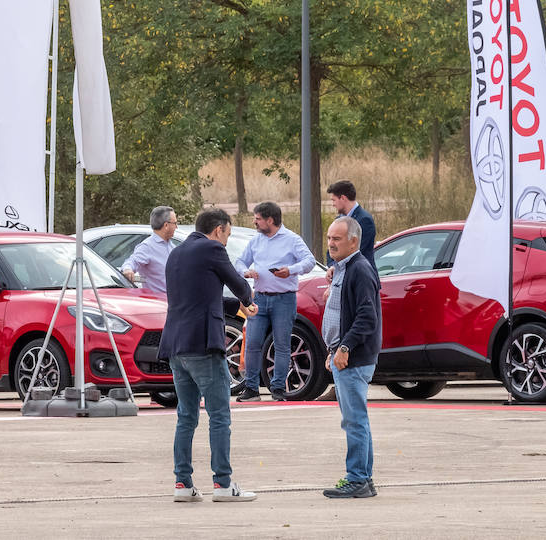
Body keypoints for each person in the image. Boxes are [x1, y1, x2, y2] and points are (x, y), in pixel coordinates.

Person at [158, 207, 260, 502]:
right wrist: (247, 298)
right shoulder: (213, 248)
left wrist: (239, 307)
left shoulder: (177, 252)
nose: (226, 241)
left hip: (176, 346)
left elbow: (201, 296)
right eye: (227, 234)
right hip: (203, 345)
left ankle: (183, 485)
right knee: (219, 415)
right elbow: (238, 284)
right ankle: (223, 484)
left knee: (186, 416)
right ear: (218, 230)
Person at [321, 214, 382, 500]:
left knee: (355, 420)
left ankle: (357, 478)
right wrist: (333, 349)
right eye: (330, 238)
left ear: (353, 241)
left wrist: (344, 349)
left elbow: (367, 318)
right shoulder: (343, 268)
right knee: (356, 419)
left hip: (354, 358)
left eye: (337, 239)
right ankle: (363, 479)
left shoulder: (360, 269)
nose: (330, 244)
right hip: (343, 355)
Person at [234, 201, 316, 401]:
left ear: (270, 220)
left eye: (258, 218)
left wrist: (291, 270)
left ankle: (278, 388)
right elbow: (239, 261)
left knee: (281, 344)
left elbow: (309, 261)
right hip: (260, 297)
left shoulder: (292, 239)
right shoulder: (256, 240)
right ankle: (251, 389)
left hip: (284, 299)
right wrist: (246, 272)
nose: (254, 222)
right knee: (252, 342)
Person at [121, 206, 180, 295]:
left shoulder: (171, 246)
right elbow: (132, 261)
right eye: (175, 223)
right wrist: (127, 269)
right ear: (166, 225)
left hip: (175, 302)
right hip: (158, 303)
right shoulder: (147, 247)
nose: (176, 227)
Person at [325, 180, 377, 276]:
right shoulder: (338, 220)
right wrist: (332, 267)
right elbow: (330, 250)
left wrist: (335, 267)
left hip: (361, 278)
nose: (333, 204)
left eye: (334, 200)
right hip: (341, 277)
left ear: (343, 198)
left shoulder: (365, 220)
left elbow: (356, 252)